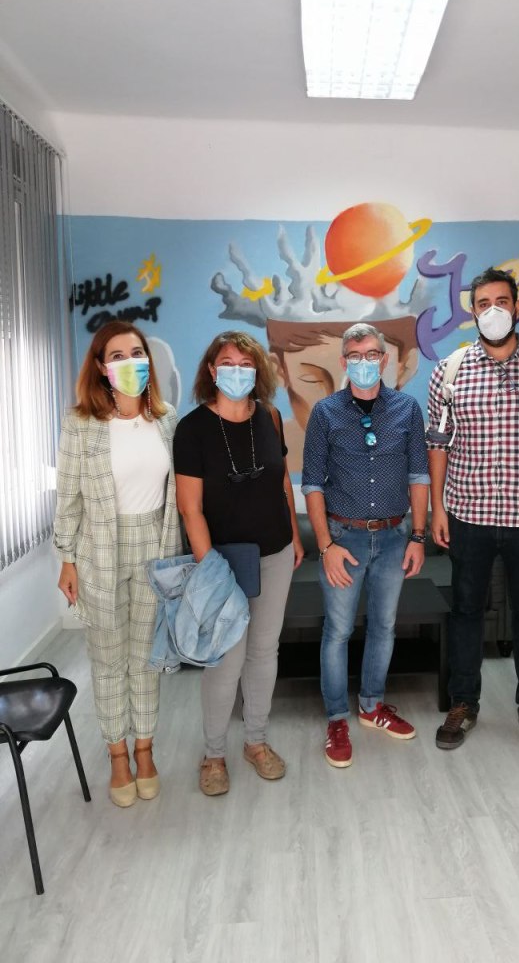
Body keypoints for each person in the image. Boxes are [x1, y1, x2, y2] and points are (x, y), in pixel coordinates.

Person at [427, 267, 519, 751]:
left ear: (517, 306)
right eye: (483, 303)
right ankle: (463, 703)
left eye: (501, 301)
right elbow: (438, 445)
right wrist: (437, 508)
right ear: (472, 312)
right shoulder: (449, 371)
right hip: (468, 514)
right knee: (466, 611)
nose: (492, 310)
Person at [53, 321, 181, 807]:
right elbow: (68, 497)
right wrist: (67, 559)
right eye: (119, 356)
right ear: (102, 367)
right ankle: (118, 757)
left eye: (137, 353)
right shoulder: (80, 424)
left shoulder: (166, 420)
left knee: (145, 660)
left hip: (155, 545)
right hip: (99, 550)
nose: (131, 363)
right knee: (108, 661)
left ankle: (145, 752)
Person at [174, 331, 303, 796]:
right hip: (222, 561)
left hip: (275, 553)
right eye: (227, 363)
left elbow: (282, 482)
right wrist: (210, 569)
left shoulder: (270, 417)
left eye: (246, 364)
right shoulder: (192, 429)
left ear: (258, 371)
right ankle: (213, 754)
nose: (237, 372)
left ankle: (256, 741)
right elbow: (190, 508)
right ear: (211, 371)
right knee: (225, 660)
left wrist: (294, 535)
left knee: (264, 652)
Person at [301, 322, 429, 767]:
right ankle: (337, 718)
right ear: (343, 362)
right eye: (355, 356)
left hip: (394, 538)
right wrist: (325, 546)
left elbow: (419, 475)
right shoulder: (325, 413)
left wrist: (417, 536)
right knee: (337, 631)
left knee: (384, 626)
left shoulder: (407, 409)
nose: (364, 363)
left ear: (384, 359)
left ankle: (372, 706)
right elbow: (312, 484)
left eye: (372, 354)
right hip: (344, 540)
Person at [267, 315, 420, 472]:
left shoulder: (412, 420)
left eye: (371, 357)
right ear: (279, 370)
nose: (338, 393)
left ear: (406, 366)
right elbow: (313, 481)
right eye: (312, 379)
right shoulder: (269, 447)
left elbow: (419, 475)